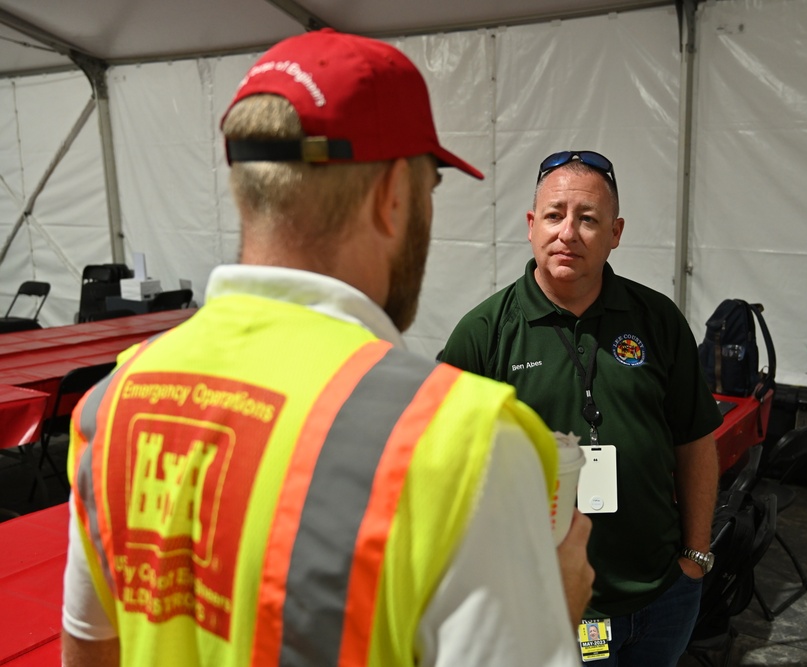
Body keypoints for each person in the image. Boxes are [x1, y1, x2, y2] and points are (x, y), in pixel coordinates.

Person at [60, 30, 593, 667]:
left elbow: (89, 651)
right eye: (430, 190)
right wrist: (555, 609)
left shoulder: (114, 403)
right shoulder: (463, 444)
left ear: (245, 189)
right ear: (394, 195)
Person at [438, 150, 723, 666]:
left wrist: (696, 558)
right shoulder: (484, 334)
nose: (568, 232)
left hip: (662, 594)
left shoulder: (657, 320)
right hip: (543, 607)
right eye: (554, 215)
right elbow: (443, 467)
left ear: (615, 233)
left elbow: (695, 440)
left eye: (587, 219)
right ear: (531, 226)